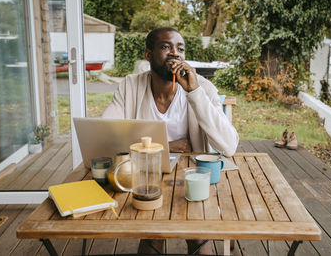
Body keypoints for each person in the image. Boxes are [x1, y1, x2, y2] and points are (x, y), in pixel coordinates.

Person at [102, 27, 239, 254]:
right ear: (148, 55)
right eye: (166, 47)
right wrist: (166, 147)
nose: (175, 53)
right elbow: (107, 134)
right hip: (146, 175)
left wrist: (194, 92)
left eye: (180, 48)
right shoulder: (130, 86)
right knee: (152, 236)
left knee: (197, 238)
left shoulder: (202, 87)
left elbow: (229, 145)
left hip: (192, 175)